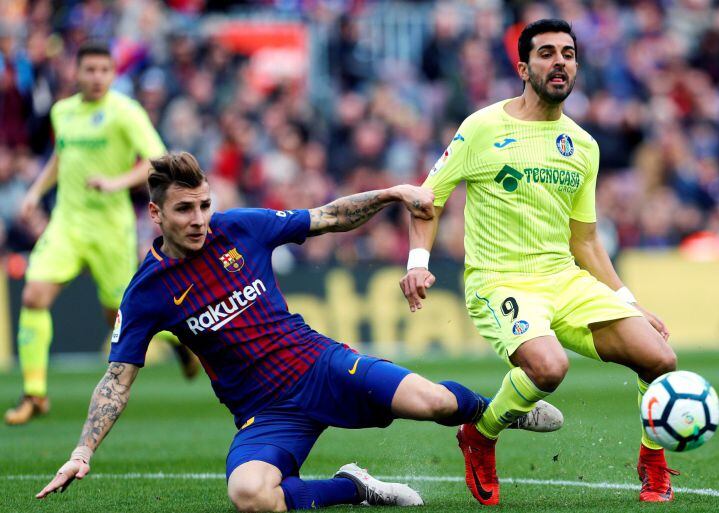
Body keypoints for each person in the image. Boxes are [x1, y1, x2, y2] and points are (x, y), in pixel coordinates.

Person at [35, 152, 563, 511]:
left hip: (321, 365)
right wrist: (82, 451)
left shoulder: (240, 226)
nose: (199, 219)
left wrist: (393, 193)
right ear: (155, 214)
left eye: (203, 205)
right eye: (184, 210)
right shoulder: (146, 292)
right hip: (265, 413)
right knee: (250, 495)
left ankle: (499, 413)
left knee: (434, 404)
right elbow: (116, 380)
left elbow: (329, 217)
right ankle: (352, 487)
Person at [399, 19, 678, 506]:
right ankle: (480, 435)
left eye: (568, 54)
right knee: (549, 368)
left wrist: (629, 302)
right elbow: (428, 200)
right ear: (523, 67)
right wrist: (417, 261)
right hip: (499, 280)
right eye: (547, 53)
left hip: (564, 280)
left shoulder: (582, 146)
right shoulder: (482, 127)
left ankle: (652, 459)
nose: (560, 62)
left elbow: (586, 241)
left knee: (659, 358)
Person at [5, 41, 198, 426]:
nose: (96, 78)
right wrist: (35, 192)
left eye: (104, 71)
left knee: (120, 316)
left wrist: (116, 182)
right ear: (76, 73)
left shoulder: (125, 113)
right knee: (33, 295)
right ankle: (34, 393)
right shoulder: (63, 112)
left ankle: (179, 341)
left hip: (110, 228)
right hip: (66, 222)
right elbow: (62, 157)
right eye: (89, 70)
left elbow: (157, 160)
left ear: (112, 74)